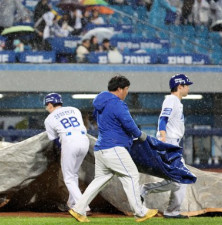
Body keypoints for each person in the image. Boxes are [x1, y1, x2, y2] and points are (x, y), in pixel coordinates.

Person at [68, 75, 158, 223]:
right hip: (114, 147)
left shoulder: (99, 103)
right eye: (127, 89)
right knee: (131, 175)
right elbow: (128, 123)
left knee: (100, 179)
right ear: (120, 89)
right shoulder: (117, 104)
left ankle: (78, 209)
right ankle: (140, 212)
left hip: (101, 148)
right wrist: (140, 136)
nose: (127, 92)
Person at [140, 74, 193, 219]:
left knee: (179, 181)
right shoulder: (171, 100)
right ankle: (144, 190)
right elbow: (163, 119)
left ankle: (172, 211)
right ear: (179, 86)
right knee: (179, 180)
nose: (188, 88)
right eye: (186, 85)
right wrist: (163, 141)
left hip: (172, 143)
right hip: (169, 143)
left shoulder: (176, 102)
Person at [43, 93, 90, 214]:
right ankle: (72, 203)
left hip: (69, 142)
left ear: (49, 104)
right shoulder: (74, 109)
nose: (46, 108)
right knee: (73, 175)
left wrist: (62, 151)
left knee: (68, 177)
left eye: (46, 105)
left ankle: (83, 206)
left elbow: (55, 141)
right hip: (84, 141)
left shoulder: (49, 119)